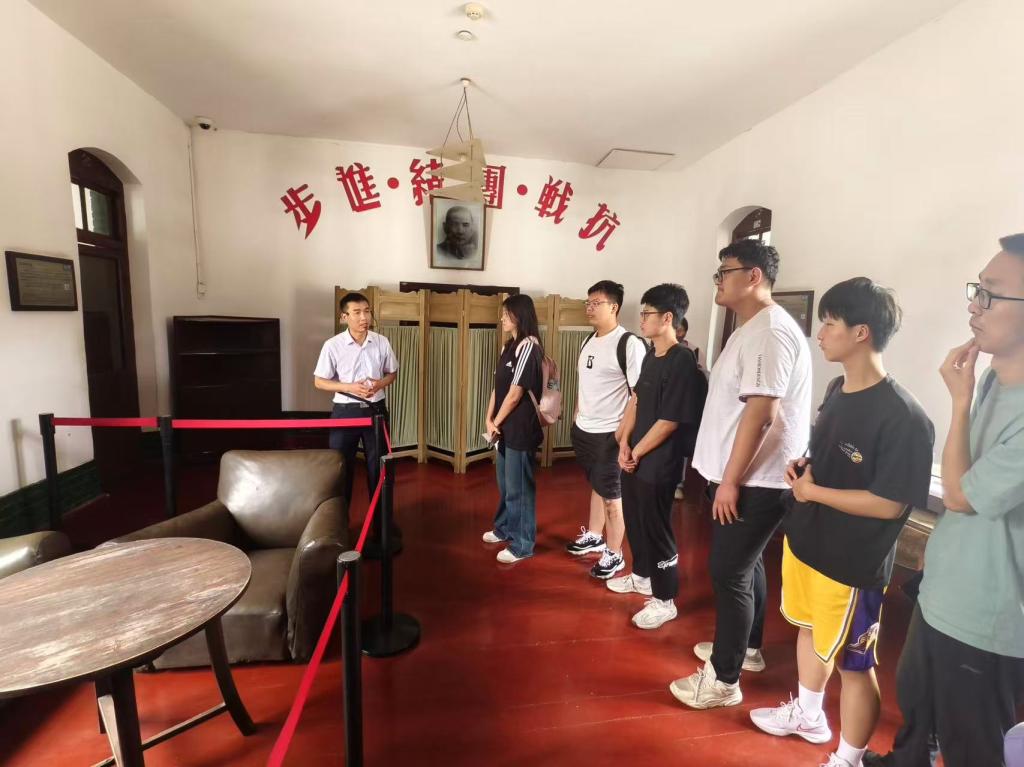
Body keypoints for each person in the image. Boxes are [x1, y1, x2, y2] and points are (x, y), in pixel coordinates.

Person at [747, 278, 934, 767]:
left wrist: (813, 493)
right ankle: (809, 716)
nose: (821, 333)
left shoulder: (905, 417)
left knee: (855, 663)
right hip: (808, 541)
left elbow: (889, 505)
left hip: (852, 564)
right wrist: (804, 470)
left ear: (861, 332)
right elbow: (830, 457)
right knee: (808, 629)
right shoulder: (837, 389)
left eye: (830, 323)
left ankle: (849, 757)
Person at [864, 234, 1024, 767]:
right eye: (976, 290)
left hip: (986, 614)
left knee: (971, 745)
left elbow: (959, 494)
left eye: (991, 295)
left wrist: (958, 400)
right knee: (917, 714)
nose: (974, 306)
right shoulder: (994, 382)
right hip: (944, 592)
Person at [671, 239, 812, 707]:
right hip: (746, 474)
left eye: (724, 272)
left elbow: (762, 413)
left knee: (729, 571)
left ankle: (723, 680)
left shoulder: (770, 331)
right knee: (745, 566)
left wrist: (730, 481)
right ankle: (747, 649)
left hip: (756, 480)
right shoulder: (750, 328)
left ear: (753, 276)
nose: (717, 281)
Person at [607, 283, 701, 629]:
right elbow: (637, 400)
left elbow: (670, 420)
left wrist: (636, 450)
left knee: (657, 528)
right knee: (635, 520)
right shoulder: (650, 355)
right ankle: (642, 576)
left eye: (647, 313)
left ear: (668, 318)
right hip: (636, 457)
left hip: (660, 463)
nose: (641, 319)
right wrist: (623, 442)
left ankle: (665, 598)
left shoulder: (681, 361)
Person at [565, 280, 646, 580]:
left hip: (610, 434)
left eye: (596, 303)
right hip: (584, 429)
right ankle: (595, 536)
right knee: (597, 486)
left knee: (612, 496)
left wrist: (622, 436)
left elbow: (638, 396)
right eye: (588, 302)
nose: (589, 308)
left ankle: (614, 553)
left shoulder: (628, 344)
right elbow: (585, 384)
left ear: (614, 307)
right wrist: (577, 415)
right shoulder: (589, 340)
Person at [313, 292, 398, 508]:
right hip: (345, 411)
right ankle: (338, 521)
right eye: (357, 312)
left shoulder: (381, 342)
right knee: (340, 467)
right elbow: (319, 382)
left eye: (367, 311)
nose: (364, 318)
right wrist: (349, 387)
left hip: (376, 410)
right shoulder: (332, 345)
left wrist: (380, 384)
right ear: (344, 317)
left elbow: (392, 373)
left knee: (379, 467)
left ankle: (381, 523)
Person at [481, 294, 545, 563]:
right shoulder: (508, 345)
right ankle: (504, 528)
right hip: (503, 425)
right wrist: (489, 418)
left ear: (520, 315)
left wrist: (497, 421)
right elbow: (498, 388)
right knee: (506, 483)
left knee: (520, 486)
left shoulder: (529, 346)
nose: (502, 319)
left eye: (506, 314)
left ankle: (523, 544)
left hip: (520, 426)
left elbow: (516, 393)